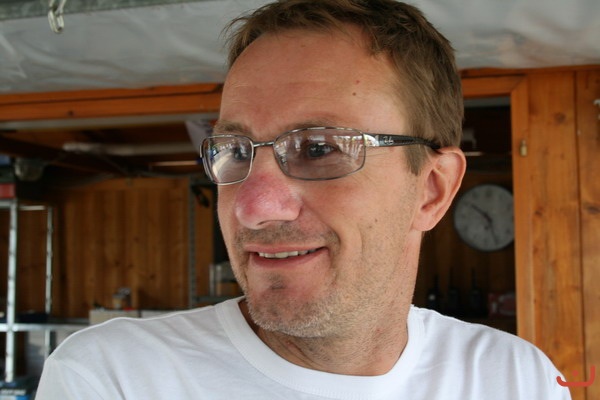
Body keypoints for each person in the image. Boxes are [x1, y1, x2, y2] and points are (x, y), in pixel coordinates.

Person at [36, 1, 571, 399]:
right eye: (234, 151)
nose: (253, 207)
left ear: (431, 190)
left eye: (320, 148)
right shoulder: (116, 379)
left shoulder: (517, 379)